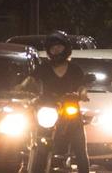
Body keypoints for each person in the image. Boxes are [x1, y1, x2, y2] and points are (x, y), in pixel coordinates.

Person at [32, 31, 90, 173]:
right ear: (48, 50)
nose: (56, 49)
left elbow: (82, 86)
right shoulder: (43, 68)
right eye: (53, 47)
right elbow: (31, 82)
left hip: (71, 112)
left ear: (66, 48)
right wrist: (22, 89)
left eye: (59, 46)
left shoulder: (75, 69)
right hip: (47, 110)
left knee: (80, 147)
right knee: (38, 145)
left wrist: (82, 94)